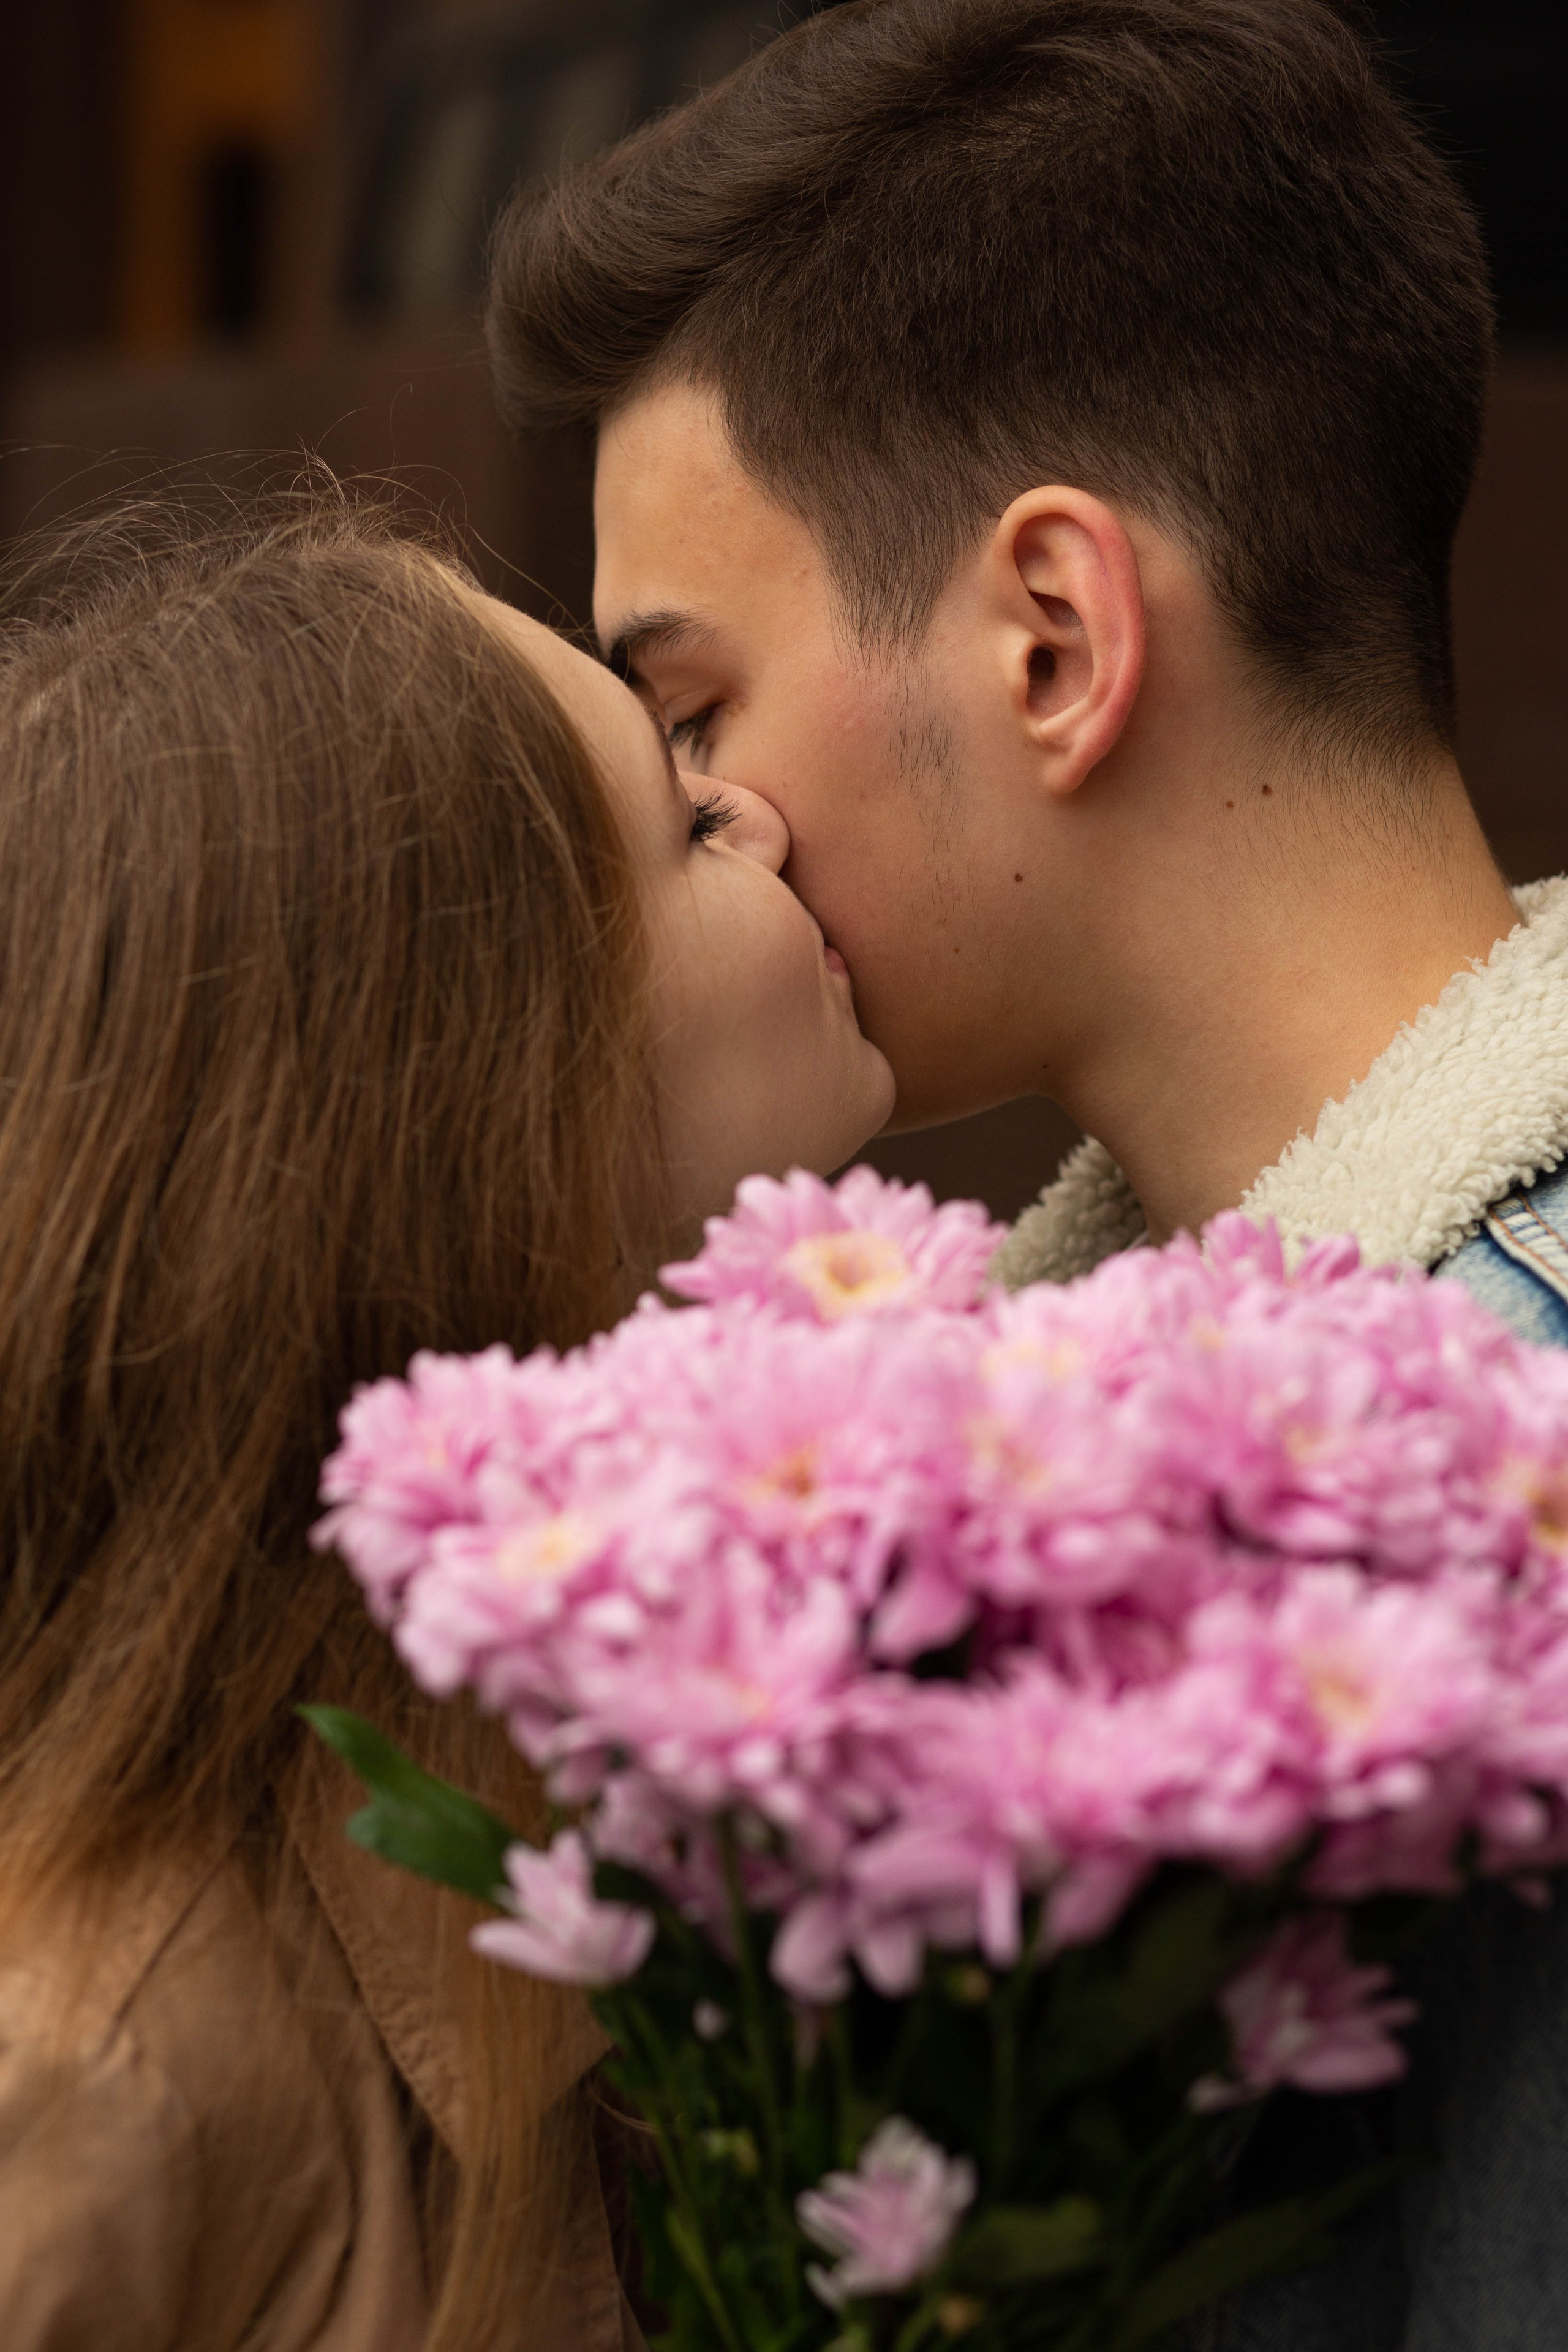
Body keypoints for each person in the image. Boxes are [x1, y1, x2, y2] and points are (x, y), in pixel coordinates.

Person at [486, 0, 1568, 2340]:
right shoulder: (1005, 1414)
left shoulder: (1507, 1477)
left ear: (1055, 641)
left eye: (692, 710)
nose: (707, 825)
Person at [0, 482, 892, 2351]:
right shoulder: (100, 2065)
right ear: (487, 1097)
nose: (765, 815)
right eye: (681, 804)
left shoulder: (714, 1721)